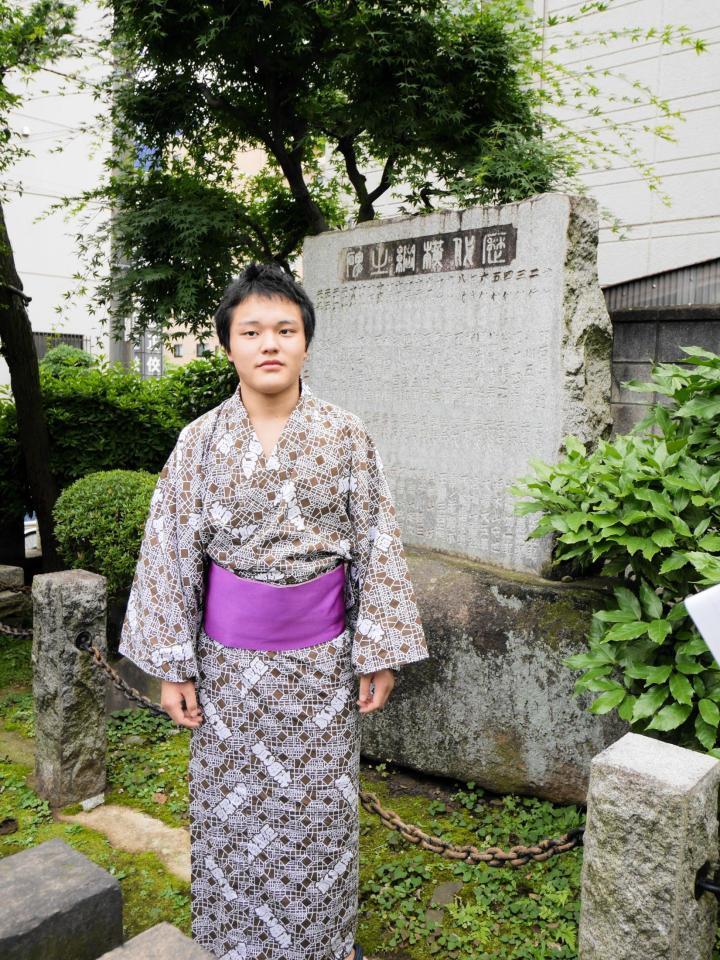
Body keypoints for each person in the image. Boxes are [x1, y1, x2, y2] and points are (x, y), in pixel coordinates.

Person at [119, 261, 430, 960]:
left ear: (306, 343)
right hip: (227, 668)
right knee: (231, 817)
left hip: (319, 669)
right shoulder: (198, 442)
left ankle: (322, 945)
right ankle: (234, 945)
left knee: (318, 816)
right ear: (228, 343)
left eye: (285, 330)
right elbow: (169, 553)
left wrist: (375, 651)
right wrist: (174, 667)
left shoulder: (346, 435)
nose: (269, 343)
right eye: (252, 330)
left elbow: (377, 540)